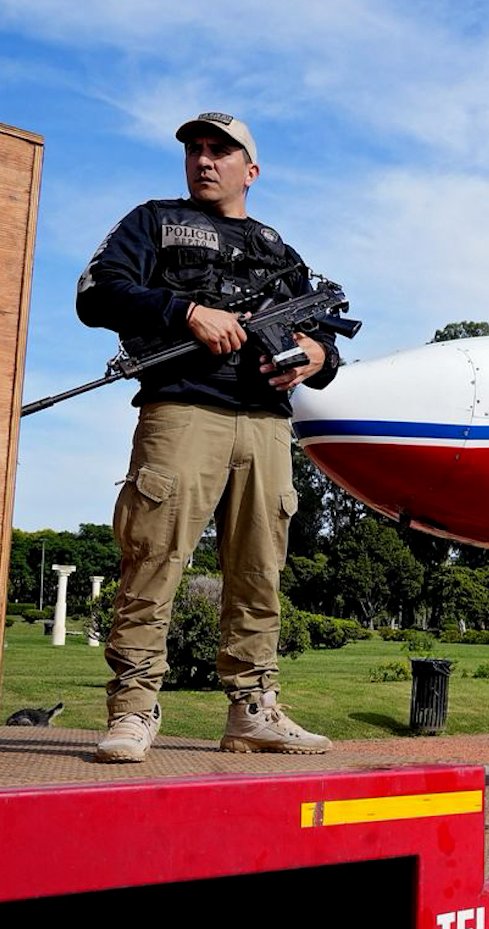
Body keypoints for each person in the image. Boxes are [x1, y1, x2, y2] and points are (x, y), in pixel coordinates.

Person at [80, 112, 342, 763]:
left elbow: (321, 341)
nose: (203, 159)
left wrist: (317, 356)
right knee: (153, 557)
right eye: (195, 149)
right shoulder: (155, 220)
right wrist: (187, 311)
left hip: (267, 424)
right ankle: (133, 709)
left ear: (250, 170)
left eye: (220, 150)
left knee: (259, 573)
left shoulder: (281, 252)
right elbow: (97, 293)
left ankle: (253, 710)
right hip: (182, 410)